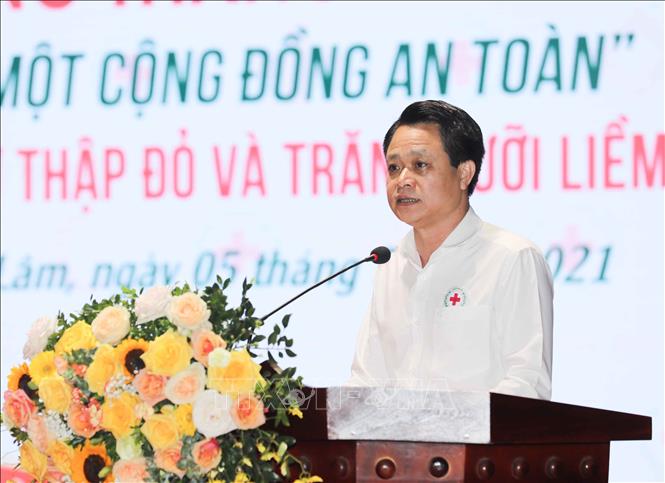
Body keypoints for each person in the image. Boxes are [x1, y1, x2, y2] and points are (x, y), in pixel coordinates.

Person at [348, 100, 553, 400]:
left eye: (420, 165)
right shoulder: (391, 266)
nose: (402, 180)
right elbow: (366, 381)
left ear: (464, 174)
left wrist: (441, 422)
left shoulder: (512, 258)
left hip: (482, 433)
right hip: (396, 434)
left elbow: (527, 385)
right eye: (394, 168)